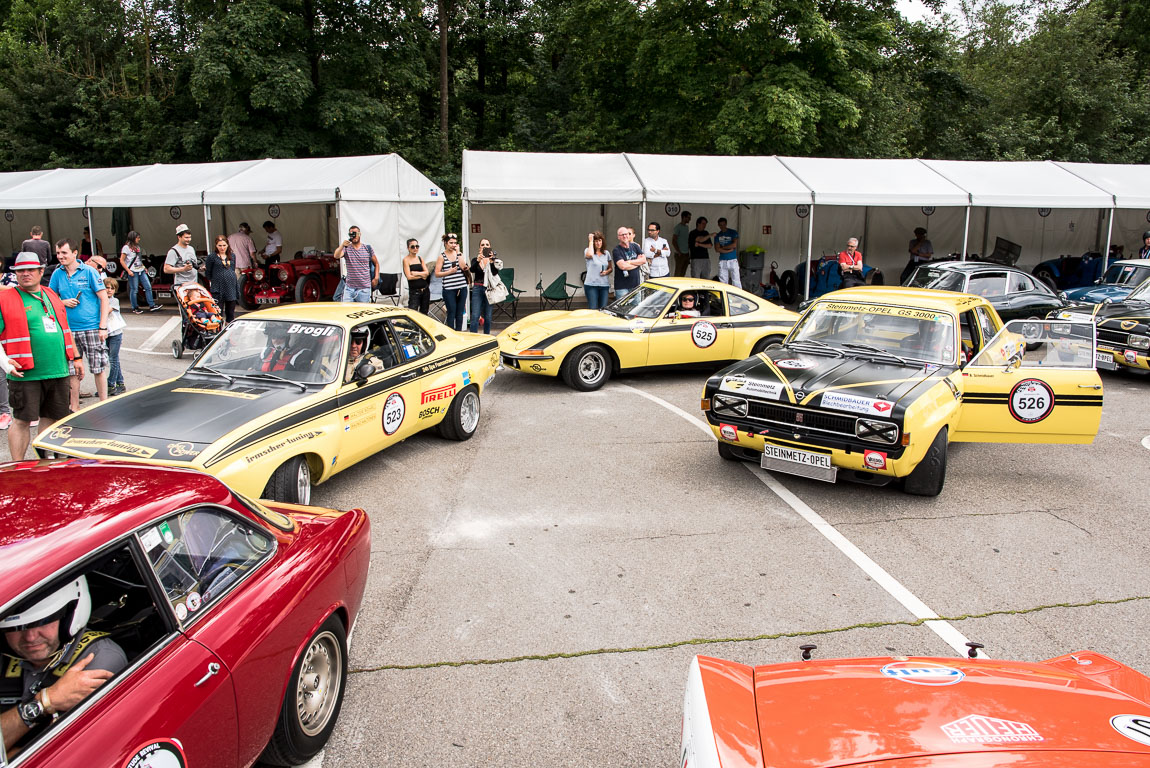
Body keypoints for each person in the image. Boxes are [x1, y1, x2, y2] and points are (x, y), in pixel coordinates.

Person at [0, 576, 127, 752]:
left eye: (43, 622)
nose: (30, 637)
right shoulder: (4, 657)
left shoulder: (100, 657)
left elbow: (64, 756)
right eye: (16, 628)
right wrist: (46, 701)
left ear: (68, 615)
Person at [0, 252, 84, 461]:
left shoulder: (51, 294)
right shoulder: (5, 298)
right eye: (20, 271)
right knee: (21, 420)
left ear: (40, 272)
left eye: (30, 270)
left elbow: (64, 327)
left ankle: (44, 465)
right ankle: (17, 469)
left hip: (57, 369)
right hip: (25, 373)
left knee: (52, 418)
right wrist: (5, 363)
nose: (25, 274)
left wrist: (76, 357)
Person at [50, 239, 111, 408]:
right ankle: (74, 407)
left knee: (98, 367)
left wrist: (103, 326)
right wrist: (63, 302)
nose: (60, 256)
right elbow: (51, 299)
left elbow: (104, 298)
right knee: (72, 370)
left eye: (64, 253)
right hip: (68, 330)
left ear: (74, 253)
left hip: (91, 327)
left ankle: (103, 405)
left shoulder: (89, 272)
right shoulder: (57, 274)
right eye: (58, 253)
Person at [333, 226, 378, 304]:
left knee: (363, 312)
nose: (353, 236)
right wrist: (342, 245)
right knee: (347, 310)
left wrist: (376, 277)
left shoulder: (367, 248)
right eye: (351, 234)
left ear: (359, 234)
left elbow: (376, 263)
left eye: (355, 233)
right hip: (349, 288)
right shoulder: (346, 249)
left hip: (364, 288)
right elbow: (336, 256)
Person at [119, 231, 160, 314]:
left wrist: (144, 267)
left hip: (140, 269)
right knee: (134, 290)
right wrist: (128, 270)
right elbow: (122, 260)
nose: (139, 239)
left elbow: (139, 259)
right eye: (138, 237)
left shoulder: (137, 247)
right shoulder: (126, 248)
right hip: (133, 271)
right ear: (133, 238)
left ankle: (152, 305)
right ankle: (135, 307)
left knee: (148, 287)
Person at [435, 233, 469, 331]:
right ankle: (451, 333)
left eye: (455, 243)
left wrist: (458, 253)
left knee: (460, 312)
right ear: (445, 243)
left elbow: (464, 267)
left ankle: (459, 332)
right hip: (449, 289)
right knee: (451, 312)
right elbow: (437, 273)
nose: (453, 245)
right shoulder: (442, 256)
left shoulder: (459, 254)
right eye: (451, 243)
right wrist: (449, 272)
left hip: (461, 287)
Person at [204, 235, 239, 324]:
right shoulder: (212, 257)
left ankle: (229, 333)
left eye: (224, 245)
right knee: (217, 311)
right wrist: (215, 280)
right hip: (218, 287)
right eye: (220, 245)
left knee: (230, 312)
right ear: (216, 246)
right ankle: (218, 331)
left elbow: (232, 268)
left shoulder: (232, 256)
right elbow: (208, 272)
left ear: (227, 245)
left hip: (230, 287)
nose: (222, 248)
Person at [469, 238, 500, 334]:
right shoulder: (475, 259)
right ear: (479, 248)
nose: (485, 246)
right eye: (482, 245)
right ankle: (473, 338)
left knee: (488, 316)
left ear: (490, 247)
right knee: (475, 315)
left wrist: (491, 261)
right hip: (477, 288)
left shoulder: (493, 260)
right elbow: (472, 270)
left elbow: (495, 272)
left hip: (489, 289)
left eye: (487, 244)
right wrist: (478, 260)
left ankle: (487, 337)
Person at [103, 277, 126, 396]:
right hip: (106, 333)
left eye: (112, 288)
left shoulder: (114, 301)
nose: (109, 291)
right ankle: (120, 383)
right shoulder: (100, 299)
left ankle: (111, 384)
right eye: (107, 288)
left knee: (113, 359)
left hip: (115, 333)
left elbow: (106, 310)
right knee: (113, 358)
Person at [612, 227, 645, 301]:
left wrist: (629, 262)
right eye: (622, 235)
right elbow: (622, 266)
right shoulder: (616, 250)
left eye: (626, 234)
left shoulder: (635, 246)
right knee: (622, 310)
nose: (625, 236)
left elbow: (643, 260)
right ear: (618, 237)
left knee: (635, 310)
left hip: (635, 286)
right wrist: (637, 263)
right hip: (622, 287)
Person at [584, 232, 612, 310]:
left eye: (600, 240)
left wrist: (606, 272)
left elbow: (610, 268)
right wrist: (590, 241)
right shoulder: (588, 250)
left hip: (604, 285)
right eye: (596, 241)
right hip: (591, 285)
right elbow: (589, 255)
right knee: (593, 309)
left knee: (603, 309)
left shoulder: (606, 253)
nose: (598, 243)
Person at [403, 239, 430, 314]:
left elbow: (427, 272)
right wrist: (422, 275)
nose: (415, 248)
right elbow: (409, 277)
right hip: (415, 291)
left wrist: (415, 273)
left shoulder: (420, 258)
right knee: (413, 312)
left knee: (424, 312)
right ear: (408, 248)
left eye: (417, 246)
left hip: (425, 289)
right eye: (412, 247)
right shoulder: (406, 260)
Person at [714, 217, 740, 288]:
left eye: (723, 224)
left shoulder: (733, 232)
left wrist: (722, 247)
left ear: (726, 224)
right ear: (718, 225)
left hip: (732, 259)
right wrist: (728, 249)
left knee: (736, 280)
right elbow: (717, 249)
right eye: (720, 225)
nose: (722, 226)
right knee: (723, 282)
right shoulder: (718, 235)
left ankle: (738, 297)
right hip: (723, 260)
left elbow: (734, 245)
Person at [671, 210, 692, 277]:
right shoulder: (678, 227)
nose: (689, 219)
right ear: (684, 217)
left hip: (686, 253)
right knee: (678, 271)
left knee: (683, 271)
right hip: (680, 254)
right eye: (688, 217)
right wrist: (679, 251)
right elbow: (674, 240)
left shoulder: (686, 227)